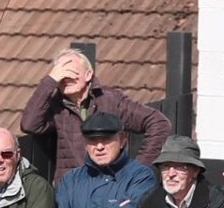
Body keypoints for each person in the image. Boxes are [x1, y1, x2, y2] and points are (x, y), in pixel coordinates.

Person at [21, 47, 169, 182]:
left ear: (88, 75)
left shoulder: (110, 99)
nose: (65, 79)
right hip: (72, 191)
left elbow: (158, 122)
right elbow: (29, 124)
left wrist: (140, 167)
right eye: (60, 74)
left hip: (112, 186)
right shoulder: (54, 106)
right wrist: (49, 81)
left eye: (71, 73)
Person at [56, 109, 155, 208]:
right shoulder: (70, 180)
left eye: (106, 139)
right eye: (93, 140)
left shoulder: (142, 177)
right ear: (85, 144)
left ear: (122, 140)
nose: (99, 147)